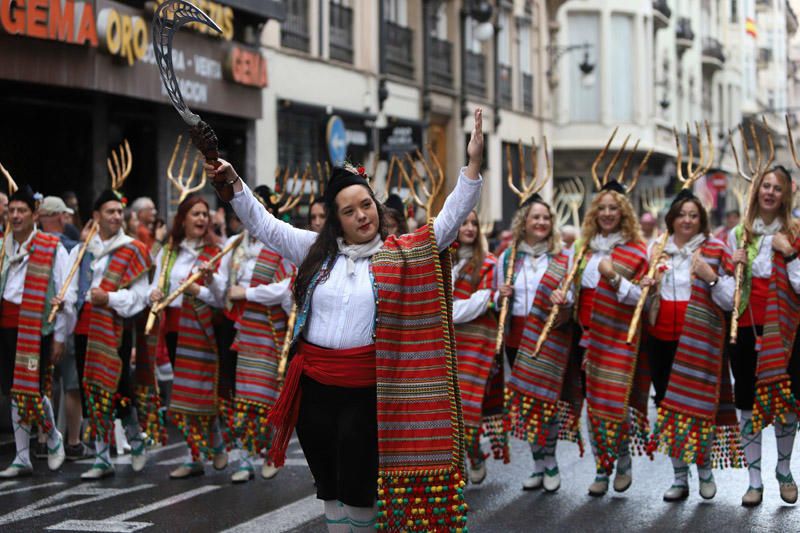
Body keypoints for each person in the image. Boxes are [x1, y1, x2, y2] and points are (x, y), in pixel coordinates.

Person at [205, 108, 484, 532]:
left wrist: (473, 165)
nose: (362, 216)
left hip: (367, 391)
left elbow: (446, 223)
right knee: (330, 491)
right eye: (349, 211)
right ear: (337, 219)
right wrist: (234, 185)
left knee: (358, 491)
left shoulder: (401, 252)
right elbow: (264, 224)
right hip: (314, 389)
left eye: (366, 205)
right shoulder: (315, 252)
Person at [643, 190, 741, 501]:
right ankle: (678, 478)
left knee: (699, 409)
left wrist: (710, 276)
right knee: (668, 409)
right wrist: (644, 288)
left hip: (699, 340)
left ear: (702, 220)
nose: (687, 220)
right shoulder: (656, 249)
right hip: (660, 339)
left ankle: (705, 471)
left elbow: (730, 300)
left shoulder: (715, 249)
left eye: (693, 215)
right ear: (671, 218)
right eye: (682, 214)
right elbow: (641, 300)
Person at [726, 166, 800, 507]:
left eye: (777, 188)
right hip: (745, 328)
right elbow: (729, 295)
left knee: (787, 406)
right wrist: (731, 268)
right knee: (746, 403)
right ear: (756, 192)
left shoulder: (796, 231)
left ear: (786, 195)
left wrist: (790, 252)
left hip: (787, 331)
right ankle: (754, 480)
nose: (770, 192)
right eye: (765, 186)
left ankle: (783, 470)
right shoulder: (738, 234)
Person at [213, 185, 295, 484]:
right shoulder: (234, 245)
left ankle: (273, 451)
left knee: (267, 396)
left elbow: (288, 287)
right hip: (240, 330)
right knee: (244, 398)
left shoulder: (280, 243)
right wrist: (209, 284)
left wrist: (247, 292)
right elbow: (224, 288)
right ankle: (247, 458)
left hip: (271, 331)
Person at [67, 190, 152, 479]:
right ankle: (102, 456)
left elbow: (140, 298)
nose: (116, 216)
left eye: (119, 211)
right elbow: (71, 292)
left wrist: (110, 299)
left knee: (119, 389)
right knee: (91, 390)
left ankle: (135, 437)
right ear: (96, 216)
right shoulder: (83, 250)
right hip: (84, 328)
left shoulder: (134, 248)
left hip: (114, 328)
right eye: (110, 211)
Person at [576, 181, 650, 497]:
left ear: (624, 213)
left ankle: (621, 459)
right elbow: (572, 293)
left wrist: (613, 277)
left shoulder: (636, 250)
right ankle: (601, 468)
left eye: (613, 208)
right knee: (593, 406)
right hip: (586, 338)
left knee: (615, 403)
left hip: (619, 337)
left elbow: (641, 300)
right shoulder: (582, 249)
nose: (607, 213)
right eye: (602, 207)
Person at [503, 194, 579, 494]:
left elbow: (573, 297)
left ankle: (550, 462)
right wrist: (501, 294)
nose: (541, 222)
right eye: (535, 217)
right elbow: (501, 302)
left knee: (546, 402)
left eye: (546, 218)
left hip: (548, 335)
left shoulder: (563, 258)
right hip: (516, 336)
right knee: (528, 404)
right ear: (524, 222)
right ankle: (537, 465)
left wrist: (566, 300)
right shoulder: (508, 257)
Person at [148, 194, 227, 479]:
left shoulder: (218, 251)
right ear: (183, 219)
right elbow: (156, 289)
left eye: (205, 214)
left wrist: (200, 289)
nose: (202, 219)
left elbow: (221, 299)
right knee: (182, 398)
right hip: (174, 330)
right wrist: (154, 295)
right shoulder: (169, 252)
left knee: (202, 393)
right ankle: (195, 455)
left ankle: (216, 445)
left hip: (203, 329)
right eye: (195, 214)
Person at [0, 186, 70, 478]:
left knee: (34, 389)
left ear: (35, 215)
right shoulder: (3, 246)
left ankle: (53, 435)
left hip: (36, 327)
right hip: (6, 326)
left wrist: (60, 336)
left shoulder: (52, 246)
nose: (15, 216)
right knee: (15, 392)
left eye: (22, 211)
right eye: (11, 211)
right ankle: (21, 456)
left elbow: (64, 294)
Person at [37, 196, 90, 461]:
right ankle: (72, 441)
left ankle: (43, 437)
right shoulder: (69, 248)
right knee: (70, 384)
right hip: (63, 324)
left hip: (35, 325)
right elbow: (69, 292)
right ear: (61, 217)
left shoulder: (32, 245)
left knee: (44, 382)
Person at [450, 210, 501, 485]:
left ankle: (473, 454)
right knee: (448, 410)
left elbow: (480, 303)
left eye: (474, 223)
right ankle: (458, 464)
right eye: (463, 222)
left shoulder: (489, 263)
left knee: (467, 408)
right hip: (447, 344)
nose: (469, 227)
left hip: (475, 345)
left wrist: (444, 309)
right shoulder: (444, 261)